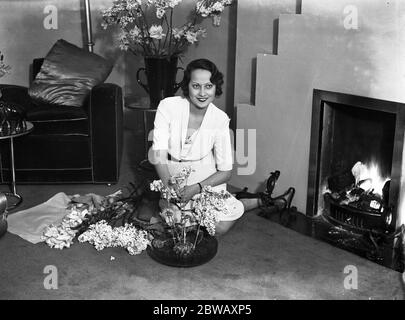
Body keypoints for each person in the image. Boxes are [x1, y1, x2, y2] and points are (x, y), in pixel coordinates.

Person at [148, 58, 294, 235]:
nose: (202, 93)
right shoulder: (169, 106)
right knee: (178, 225)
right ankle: (169, 204)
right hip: (171, 175)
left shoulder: (220, 119)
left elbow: (225, 172)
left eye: (208, 86)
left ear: (216, 87)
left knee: (219, 228)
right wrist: (168, 186)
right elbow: (158, 153)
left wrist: (196, 188)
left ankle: (252, 201)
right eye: (196, 86)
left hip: (203, 178)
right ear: (187, 86)